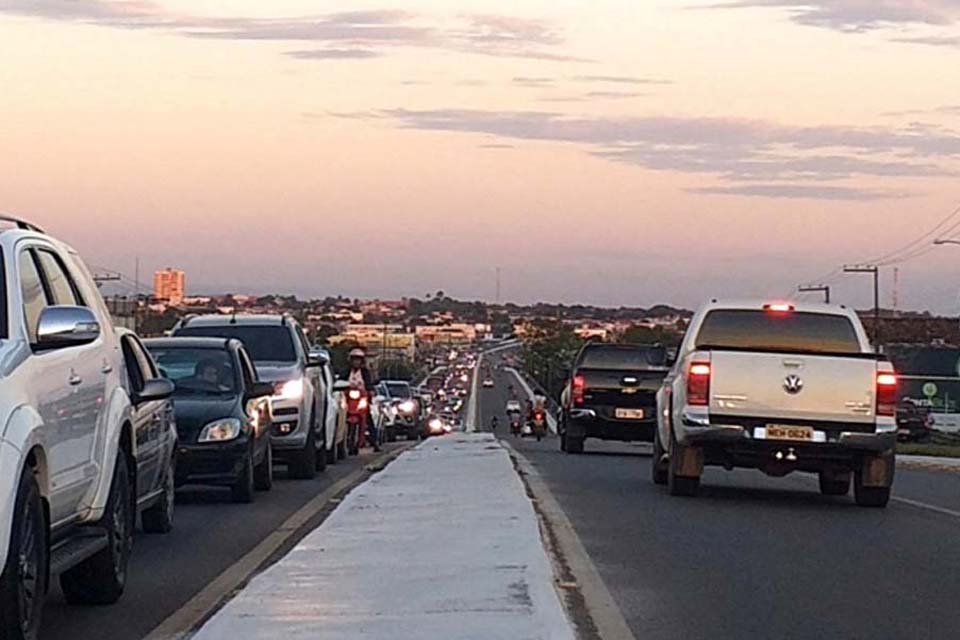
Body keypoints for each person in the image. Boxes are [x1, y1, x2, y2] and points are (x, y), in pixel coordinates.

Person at [342, 347, 381, 452]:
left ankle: (374, 442)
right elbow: (341, 381)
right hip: (348, 401)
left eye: (358, 360)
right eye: (354, 360)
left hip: (361, 400)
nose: (356, 362)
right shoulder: (346, 372)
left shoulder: (365, 373)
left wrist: (370, 391)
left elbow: (369, 384)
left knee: (368, 418)